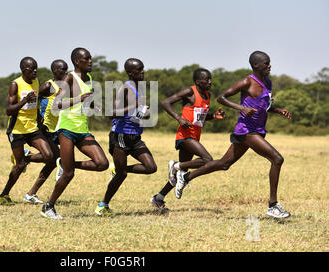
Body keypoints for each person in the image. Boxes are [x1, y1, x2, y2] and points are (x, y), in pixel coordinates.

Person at [173, 51, 292, 219]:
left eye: (269, 63)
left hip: (258, 130)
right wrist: (241, 108)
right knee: (277, 159)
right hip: (246, 130)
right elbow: (222, 97)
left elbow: (262, 105)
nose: (269, 66)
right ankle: (273, 206)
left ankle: (186, 176)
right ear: (256, 65)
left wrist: (278, 110)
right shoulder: (247, 81)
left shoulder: (268, 82)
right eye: (266, 63)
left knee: (224, 163)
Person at [41, 47, 109, 219]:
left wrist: (95, 106)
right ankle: (48, 207)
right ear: (77, 61)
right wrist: (80, 99)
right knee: (69, 175)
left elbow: (87, 100)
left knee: (102, 164)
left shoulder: (90, 78)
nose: (90, 61)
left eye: (91, 58)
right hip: (67, 129)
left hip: (82, 129)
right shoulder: (70, 78)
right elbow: (56, 104)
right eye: (87, 58)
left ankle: (66, 163)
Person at [150, 68, 224, 211]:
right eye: (206, 79)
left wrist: (214, 116)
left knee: (180, 175)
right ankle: (176, 165)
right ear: (198, 81)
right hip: (185, 136)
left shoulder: (207, 95)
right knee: (207, 160)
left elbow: (200, 117)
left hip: (194, 136)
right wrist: (179, 118)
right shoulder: (190, 92)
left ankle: (158, 197)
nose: (210, 82)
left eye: (210, 79)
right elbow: (165, 102)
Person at [95, 58, 157, 216]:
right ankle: (103, 205)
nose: (143, 72)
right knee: (122, 176)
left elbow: (139, 110)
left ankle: (118, 169)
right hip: (121, 135)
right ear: (131, 73)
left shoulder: (139, 88)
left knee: (151, 167)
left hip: (135, 136)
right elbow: (110, 113)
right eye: (139, 70)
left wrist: (144, 112)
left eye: (143, 68)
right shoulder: (125, 88)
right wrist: (133, 106)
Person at [0, 57, 56, 205]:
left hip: (32, 127)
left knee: (49, 156)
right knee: (19, 166)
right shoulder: (15, 85)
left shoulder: (36, 82)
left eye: (36, 68)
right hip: (17, 129)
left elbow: (35, 103)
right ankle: (4, 195)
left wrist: (39, 116)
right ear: (24, 70)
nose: (35, 71)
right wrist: (24, 100)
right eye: (32, 69)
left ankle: (26, 157)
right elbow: (8, 111)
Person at [37, 59, 68, 181]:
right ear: (55, 71)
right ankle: (24, 156)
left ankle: (31, 193)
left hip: (57, 127)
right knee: (55, 156)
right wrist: (37, 116)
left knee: (53, 159)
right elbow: (33, 101)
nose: (66, 72)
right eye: (63, 70)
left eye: (67, 69)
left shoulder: (65, 87)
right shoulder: (48, 86)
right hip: (45, 126)